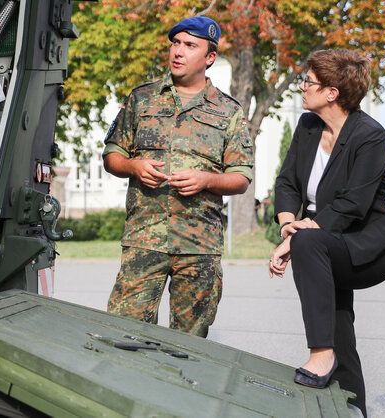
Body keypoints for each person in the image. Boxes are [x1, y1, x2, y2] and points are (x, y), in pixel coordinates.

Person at [269, 49, 385, 415]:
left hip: (368, 248)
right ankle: (353, 409)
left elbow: (352, 205)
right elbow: (287, 184)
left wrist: (299, 239)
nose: (302, 86)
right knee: (339, 323)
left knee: (310, 243)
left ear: (332, 92)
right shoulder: (308, 126)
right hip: (322, 241)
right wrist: (286, 226)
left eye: (308, 81)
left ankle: (319, 355)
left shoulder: (370, 135)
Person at [103, 16, 253, 337]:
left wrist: (207, 180)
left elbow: (240, 178)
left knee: (189, 345)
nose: (178, 51)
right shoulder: (142, 99)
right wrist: (134, 166)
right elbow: (112, 157)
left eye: (189, 45)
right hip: (145, 239)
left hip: (199, 246)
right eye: (175, 43)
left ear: (209, 57)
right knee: (123, 335)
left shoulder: (228, 111)